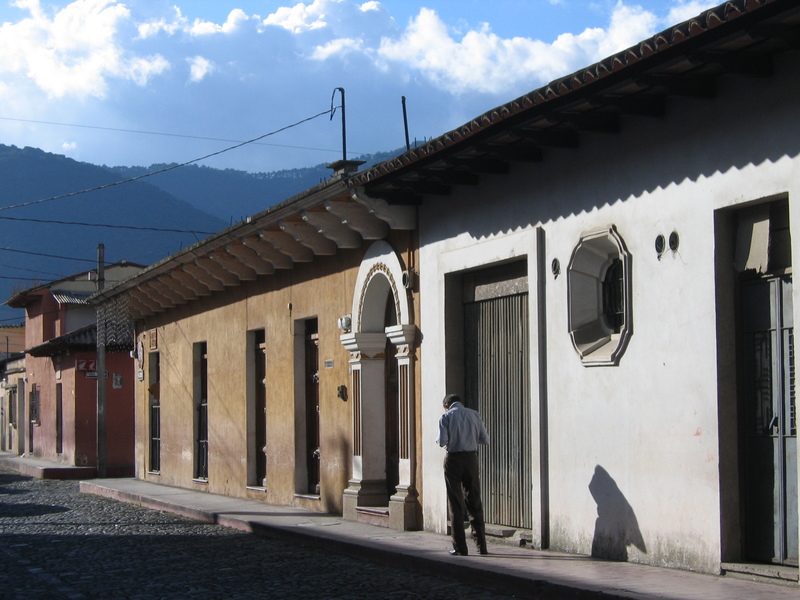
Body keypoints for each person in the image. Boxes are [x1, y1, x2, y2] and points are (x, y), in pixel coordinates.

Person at [436, 393, 489, 556]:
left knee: (455, 501)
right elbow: (484, 439)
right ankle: (482, 546)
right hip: (471, 458)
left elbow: (442, 441)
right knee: (474, 499)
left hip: (453, 459)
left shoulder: (446, 417)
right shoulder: (474, 414)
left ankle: (460, 547)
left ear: (446, 405)